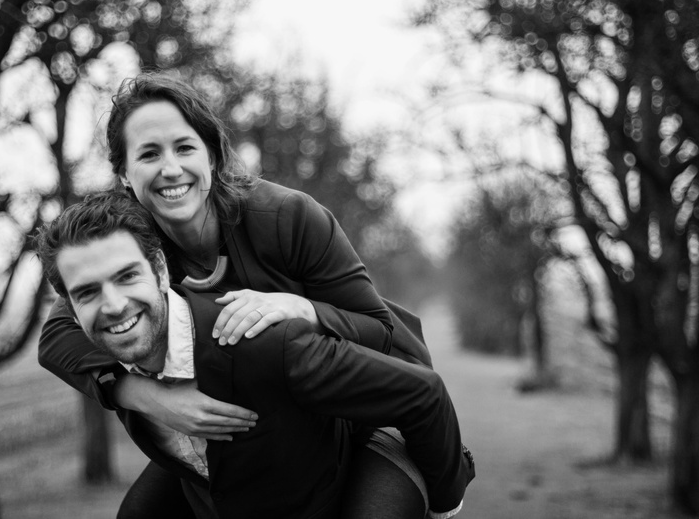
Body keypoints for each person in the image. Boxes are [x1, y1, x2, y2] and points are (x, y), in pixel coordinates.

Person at [38, 73, 441, 518]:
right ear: (124, 175)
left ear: (212, 156)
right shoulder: (135, 249)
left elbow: (382, 333)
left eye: (184, 147)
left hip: (367, 414)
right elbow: (58, 336)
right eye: (149, 154)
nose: (170, 168)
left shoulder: (288, 216)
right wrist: (146, 396)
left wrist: (303, 308)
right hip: (262, 427)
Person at [34, 191, 475, 519]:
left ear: (161, 269)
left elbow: (424, 393)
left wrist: (444, 507)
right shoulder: (111, 362)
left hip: (344, 459)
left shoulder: (268, 340)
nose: (112, 305)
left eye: (127, 276)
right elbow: (51, 345)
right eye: (88, 292)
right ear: (69, 308)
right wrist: (139, 393)